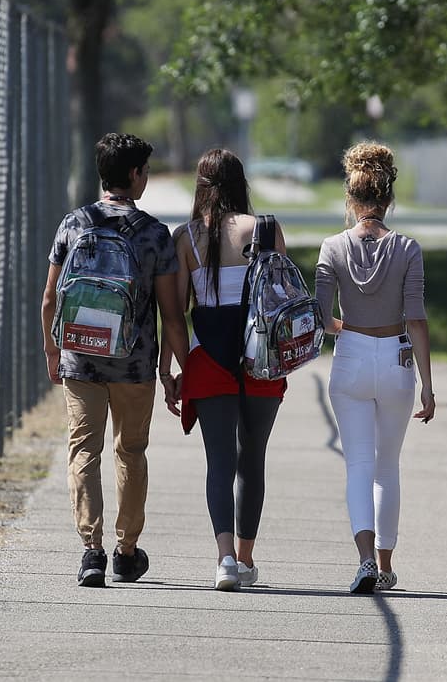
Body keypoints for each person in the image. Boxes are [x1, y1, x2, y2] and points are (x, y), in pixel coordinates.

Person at [41, 133, 189, 588]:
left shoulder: (74, 224)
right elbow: (171, 314)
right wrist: (173, 370)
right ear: (134, 175)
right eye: (144, 170)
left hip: (80, 358)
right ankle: (126, 552)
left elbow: (50, 298)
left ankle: (91, 551)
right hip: (134, 362)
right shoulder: (153, 234)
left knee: (84, 450)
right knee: (131, 451)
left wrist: (52, 352)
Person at [161, 148, 288, 591]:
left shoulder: (188, 237)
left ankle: (226, 560)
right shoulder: (266, 230)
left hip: (208, 356)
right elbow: (282, 302)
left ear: (201, 185)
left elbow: (175, 314)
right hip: (261, 358)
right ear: (241, 183)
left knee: (219, 461)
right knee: (252, 459)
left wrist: (174, 367)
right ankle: (248, 558)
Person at [315, 142, 435, 594]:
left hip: (351, 358)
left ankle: (364, 559)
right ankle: (386, 563)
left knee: (358, 465)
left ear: (351, 197)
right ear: (388, 198)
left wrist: (351, 325)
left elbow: (322, 318)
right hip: (398, 358)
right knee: (388, 466)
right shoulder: (407, 249)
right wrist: (428, 384)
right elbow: (417, 318)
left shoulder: (332, 247)